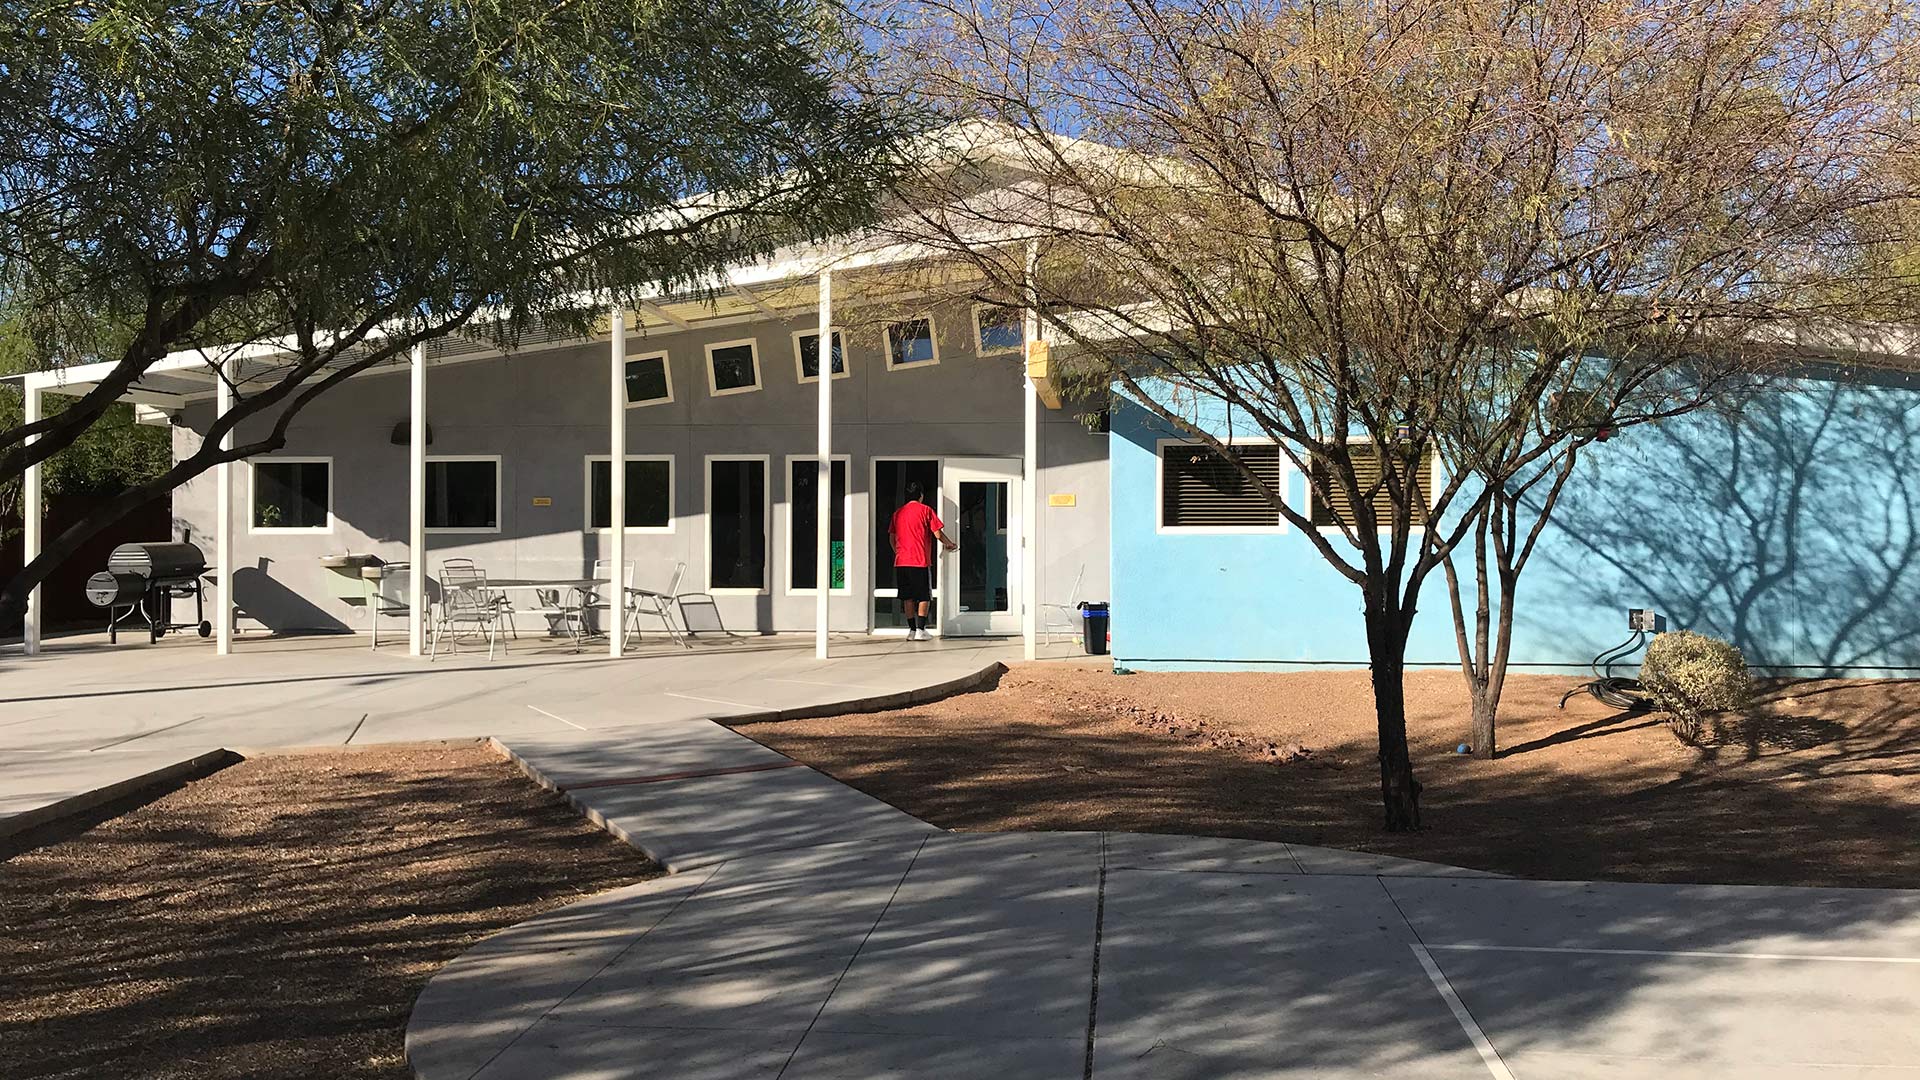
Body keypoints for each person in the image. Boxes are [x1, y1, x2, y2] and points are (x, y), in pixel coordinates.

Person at [889, 480, 957, 640]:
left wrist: (899, 552)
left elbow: (892, 538)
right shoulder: (926, 510)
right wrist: (950, 544)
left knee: (907, 597)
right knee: (924, 596)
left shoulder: (898, 513)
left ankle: (911, 631)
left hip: (902, 561)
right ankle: (921, 629)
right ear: (921, 495)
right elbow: (938, 533)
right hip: (919, 561)